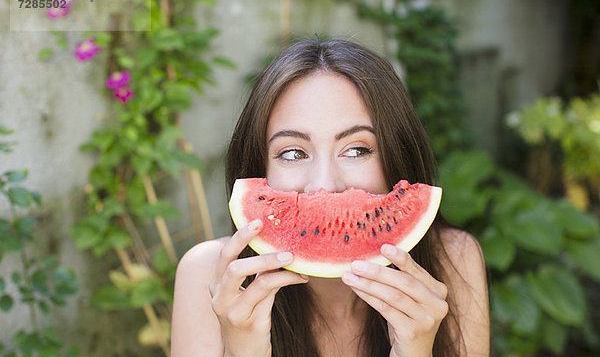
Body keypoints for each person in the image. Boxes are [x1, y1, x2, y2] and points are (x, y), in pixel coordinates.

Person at [171, 38, 490, 356]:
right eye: (293, 153)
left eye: (357, 150)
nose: (324, 186)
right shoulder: (206, 277)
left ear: (397, 155)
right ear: (258, 167)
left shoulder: (453, 261)